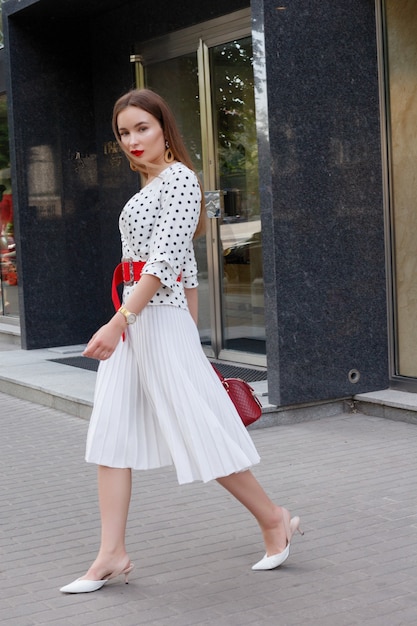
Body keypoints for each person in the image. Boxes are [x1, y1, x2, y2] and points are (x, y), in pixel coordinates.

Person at [59, 88, 303, 594]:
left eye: (142, 128)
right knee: (110, 433)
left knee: (200, 432)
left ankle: (274, 518)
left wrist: (122, 323)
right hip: (139, 319)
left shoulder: (182, 181)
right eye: (124, 133)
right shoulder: (148, 187)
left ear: (165, 129)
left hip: (151, 320)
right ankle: (111, 553)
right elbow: (187, 270)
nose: (133, 140)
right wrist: (136, 321)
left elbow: (166, 263)